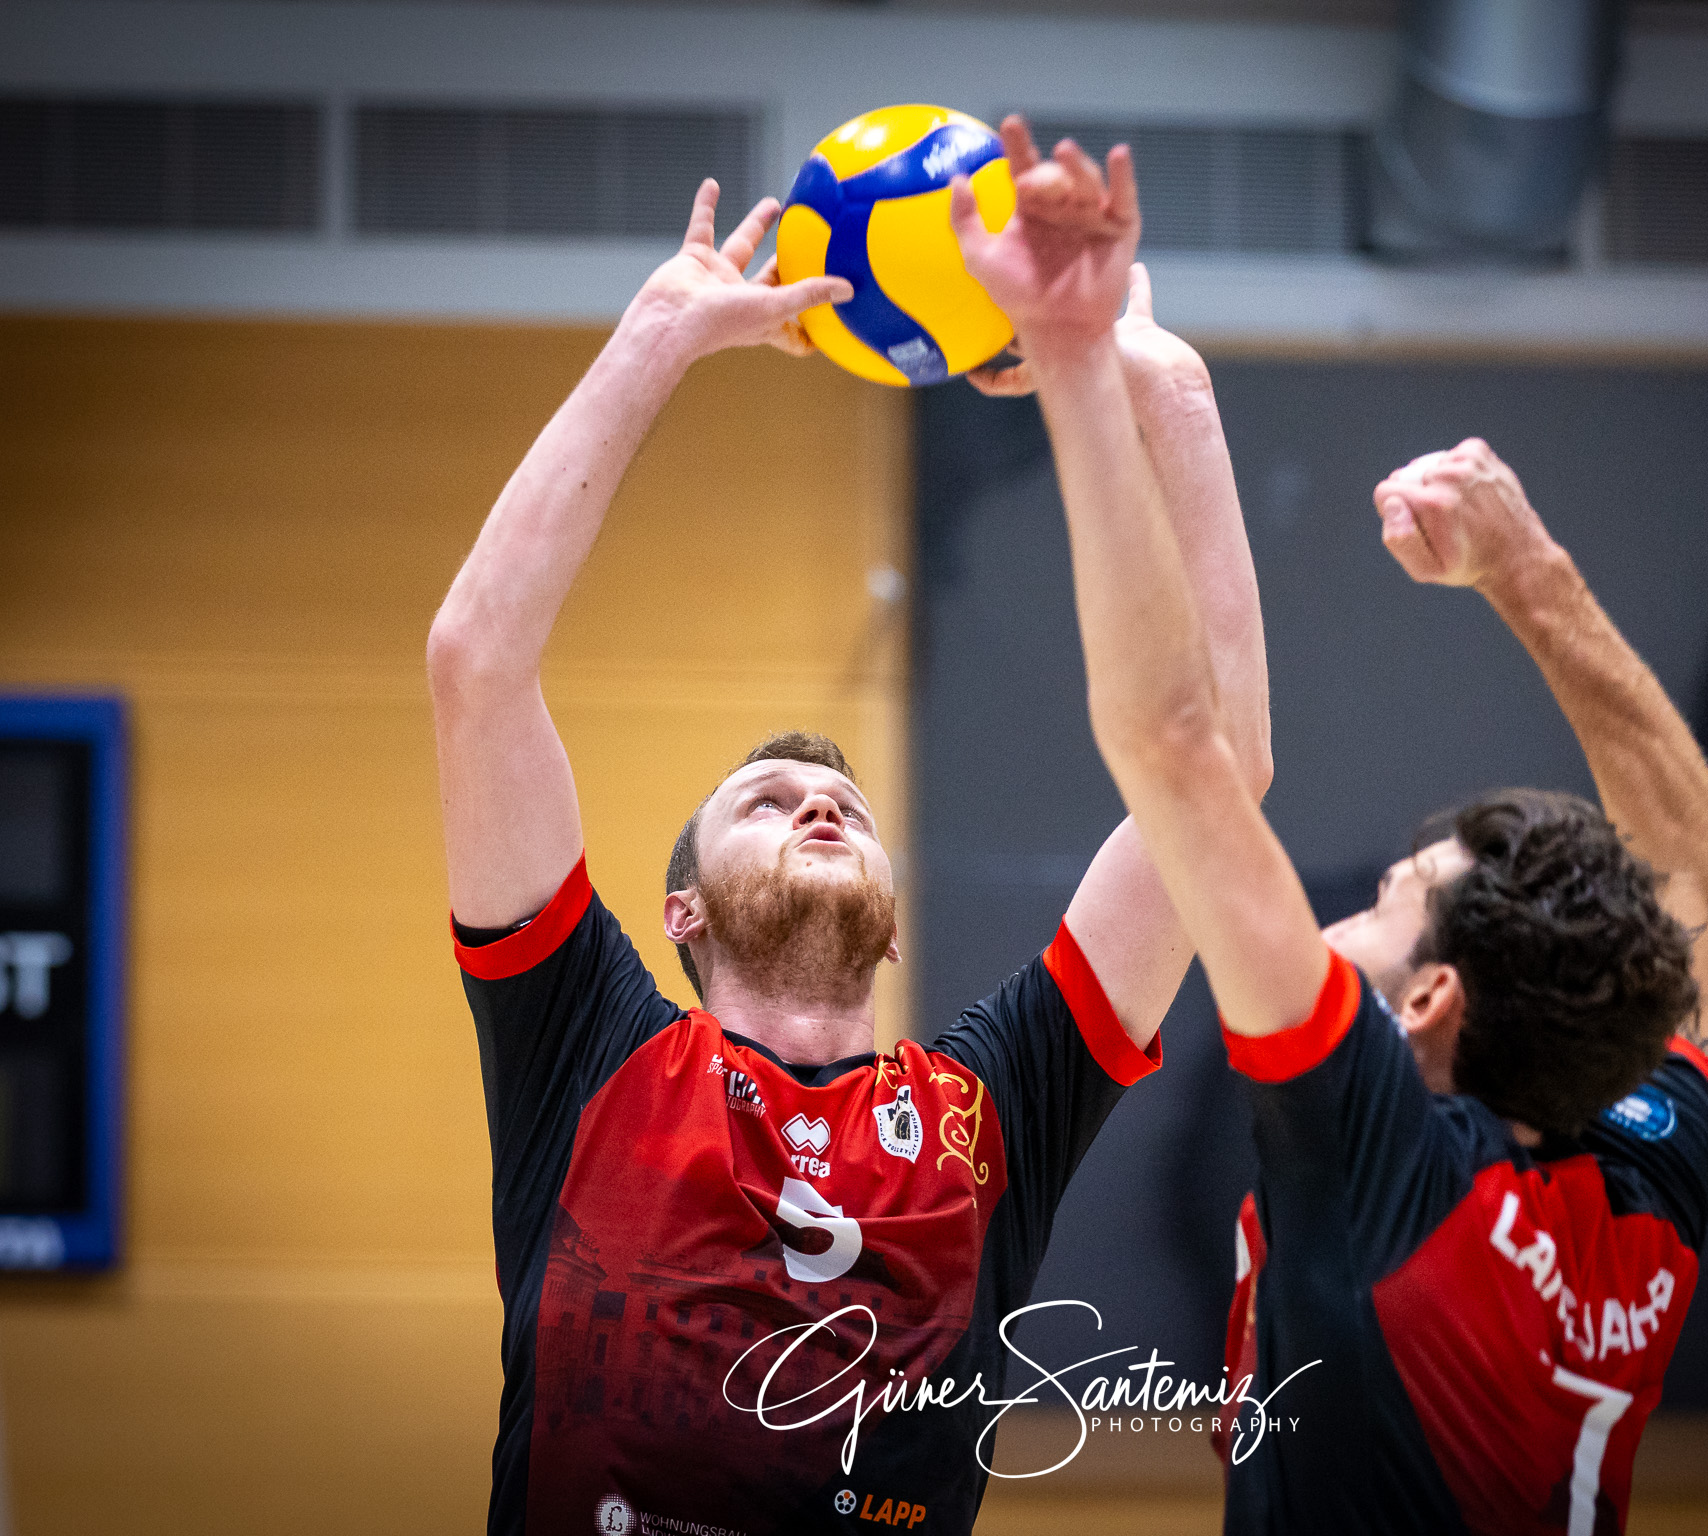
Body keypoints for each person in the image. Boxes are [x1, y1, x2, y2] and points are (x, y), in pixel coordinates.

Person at [426, 157, 1270, 1535]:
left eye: (846, 810)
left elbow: (1217, 777)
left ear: (888, 915)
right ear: (683, 912)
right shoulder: (588, 1050)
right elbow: (477, 662)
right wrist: (659, 335)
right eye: (767, 803)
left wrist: (1158, 385)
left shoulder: (995, 1107)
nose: (821, 807)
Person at [955, 150, 1708, 1533]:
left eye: (1391, 896)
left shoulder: (1382, 1155)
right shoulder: (1637, 1174)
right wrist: (1529, 577)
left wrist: (1086, 363)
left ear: (1429, 1000)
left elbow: (1178, 748)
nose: (1347, 911)